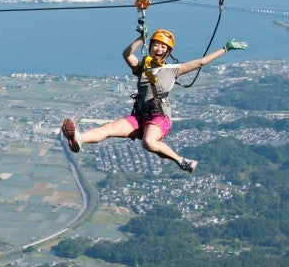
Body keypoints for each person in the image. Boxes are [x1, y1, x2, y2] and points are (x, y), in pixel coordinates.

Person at [60, 25, 247, 174]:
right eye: (155, 44)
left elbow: (201, 62)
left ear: (168, 52)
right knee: (111, 128)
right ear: (150, 47)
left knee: (148, 142)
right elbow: (126, 54)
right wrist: (140, 38)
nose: (158, 48)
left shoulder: (173, 70)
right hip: (141, 116)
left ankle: (182, 161)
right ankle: (78, 139)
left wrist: (225, 48)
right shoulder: (142, 67)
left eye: (163, 46)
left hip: (159, 116)